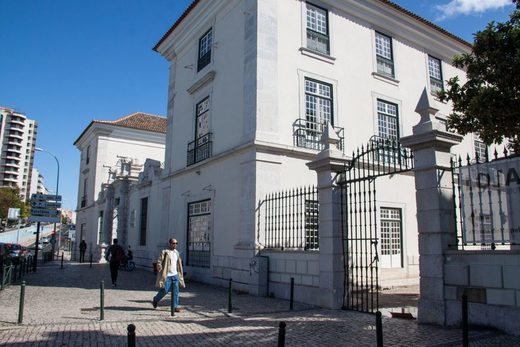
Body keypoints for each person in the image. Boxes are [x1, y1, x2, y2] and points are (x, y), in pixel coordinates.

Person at [152, 238, 185, 311]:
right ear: (170, 244)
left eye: (176, 243)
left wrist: (180, 273)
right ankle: (156, 299)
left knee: (176, 291)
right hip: (167, 275)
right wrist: (159, 267)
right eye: (173, 243)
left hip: (175, 275)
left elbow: (178, 263)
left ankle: (175, 307)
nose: (175, 245)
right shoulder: (165, 252)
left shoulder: (177, 253)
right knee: (164, 290)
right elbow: (159, 261)